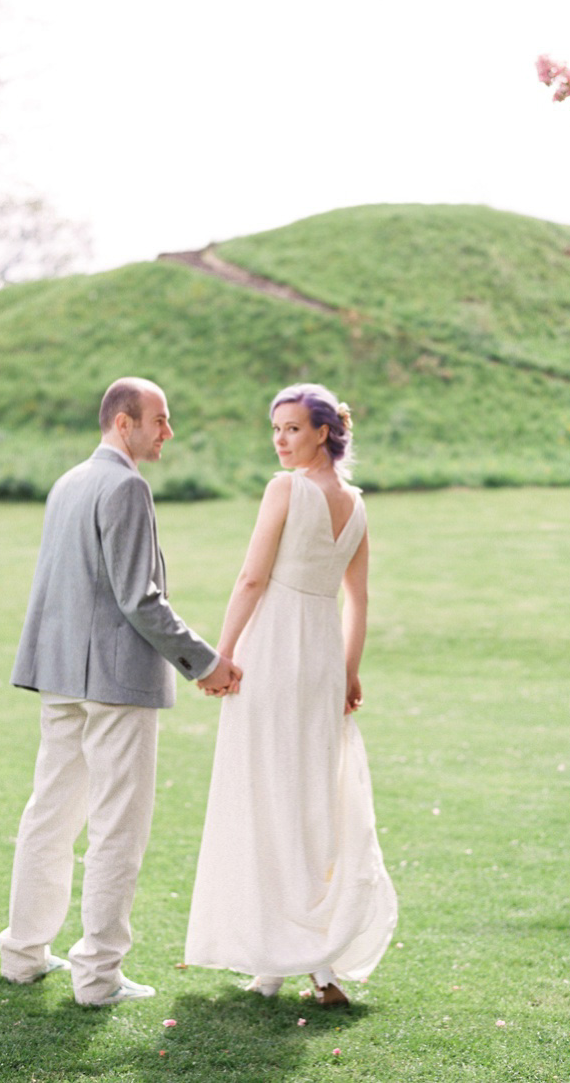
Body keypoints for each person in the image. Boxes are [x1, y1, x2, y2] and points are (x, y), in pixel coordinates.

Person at [0, 377, 242, 1007]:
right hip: (114, 683)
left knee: (49, 813)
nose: (168, 431)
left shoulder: (69, 481)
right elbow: (140, 598)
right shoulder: (126, 484)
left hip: (61, 678)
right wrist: (204, 662)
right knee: (117, 828)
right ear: (124, 422)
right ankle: (99, 977)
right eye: (159, 419)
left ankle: (23, 954)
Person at [185, 382, 397, 1006]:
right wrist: (350, 670)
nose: (281, 441)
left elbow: (252, 577)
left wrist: (220, 655)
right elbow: (357, 600)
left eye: (293, 430)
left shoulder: (286, 490)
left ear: (324, 432)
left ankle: (294, 959)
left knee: (266, 792)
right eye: (276, 430)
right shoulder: (356, 504)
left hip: (274, 648)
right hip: (322, 658)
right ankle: (295, 963)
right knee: (308, 799)